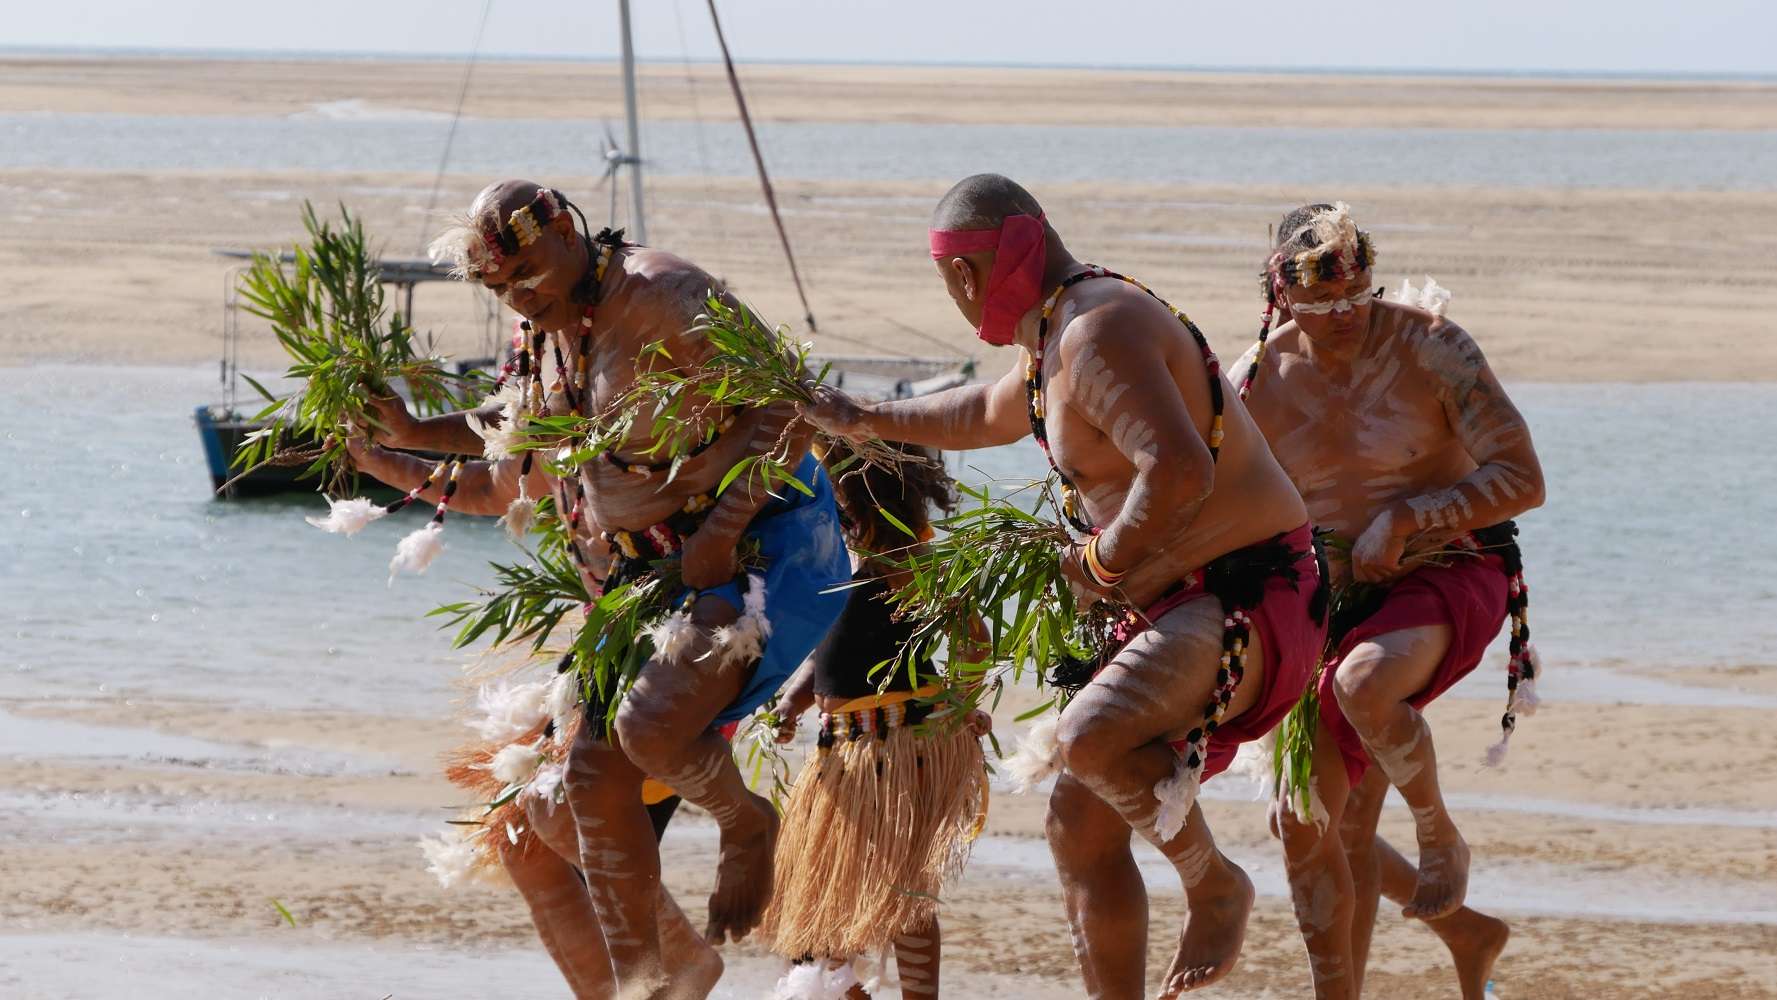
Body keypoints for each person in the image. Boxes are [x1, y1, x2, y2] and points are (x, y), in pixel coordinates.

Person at [801, 173, 1324, 998]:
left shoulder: (1096, 332)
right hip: (1179, 609)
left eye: (950, 283)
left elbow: (1180, 470)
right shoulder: (1060, 336)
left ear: (966, 276)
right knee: (1076, 822)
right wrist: (857, 415)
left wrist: (1100, 564)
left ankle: (1213, 880)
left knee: (1087, 739)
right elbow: (979, 414)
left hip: (1245, 599)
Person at [348, 179, 851, 998]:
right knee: (554, 802)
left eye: (528, 273)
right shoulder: (543, 345)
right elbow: (500, 477)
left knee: (637, 736)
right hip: (638, 594)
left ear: (566, 233)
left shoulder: (663, 296)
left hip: (760, 559)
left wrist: (721, 531)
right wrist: (394, 446)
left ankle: (742, 822)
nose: (521, 295)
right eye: (500, 287)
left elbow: (792, 405)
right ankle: (657, 977)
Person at [1235, 202, 1545, 998]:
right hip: (1328, 606)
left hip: (1443, 569)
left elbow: (1521, 479)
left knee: (1364, 686)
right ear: (1280, 290)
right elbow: (1221, 508)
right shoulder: (1253, 382)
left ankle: (1440, 834)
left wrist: (1408, 516)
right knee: (1304, 823)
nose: (1344, 317)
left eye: (1356, 297)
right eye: (1322, 303)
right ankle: (1457, 935)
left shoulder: (1432, 347)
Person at [758, 442, 992, 999]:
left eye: (842, 504)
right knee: (815, 904)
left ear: (876, 502)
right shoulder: (844, 570)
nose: (835, 515)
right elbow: (825, 656)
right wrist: (791, 703)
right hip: (843, 752)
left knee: (902, 890)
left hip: (899, 747)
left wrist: (959, 705)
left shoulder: (908, 566)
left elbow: (973, 639)